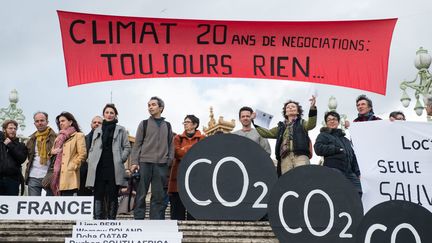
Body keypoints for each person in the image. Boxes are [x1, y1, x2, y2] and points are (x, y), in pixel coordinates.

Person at [131, 96, 174, 220]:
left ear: (161, 107)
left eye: (153, 105)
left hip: (161, 164)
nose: (150, 107)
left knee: (159, 195)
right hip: (144, 162)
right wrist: (134, 161)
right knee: (141, 194)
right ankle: (138, 219)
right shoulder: (144, 124)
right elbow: (137, 144)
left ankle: (156, 221)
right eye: (149, 105)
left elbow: (171, 144)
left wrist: (169, 160)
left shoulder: (168, 125)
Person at [86, 104, 131, 219]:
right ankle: (97, 219)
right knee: (98, 194)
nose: (109, 115)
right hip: (98, 166)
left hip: (113, 166)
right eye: (107, 112)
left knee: (112, 194)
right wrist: (90, 160)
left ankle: (111, 219)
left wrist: (121, 159)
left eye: (112, 113)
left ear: (115, 115)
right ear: (103, 114)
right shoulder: (97, 130)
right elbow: (92, 148)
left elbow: (127, 147)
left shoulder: (121, 129)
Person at [254, 96, 317, 176]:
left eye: (293, 106)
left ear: (298, 111)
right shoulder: (280, 127)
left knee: (303, 178)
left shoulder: (302, 123)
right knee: (287, 182)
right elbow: (265, 133)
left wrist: (312, 108)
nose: (290, 108)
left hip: (300, 156)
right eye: (288, 107)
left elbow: (311, 124)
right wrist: (255, 121)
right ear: (285, 112)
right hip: (285, 158)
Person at [314, 111, 362, 197]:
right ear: (326, 123)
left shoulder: (345, 139)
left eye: (334, 119)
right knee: (338, 194)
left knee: (358, 192)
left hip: (349, 172)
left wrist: (357, 173)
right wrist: (336, 149)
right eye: (329, 120)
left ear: (338, 122)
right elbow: (318, 149)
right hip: (334, 169)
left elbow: (353, 157)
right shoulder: (323, 135)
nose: (332, 121)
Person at [168, 115, 205, 220]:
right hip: (179, 177)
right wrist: (193, 148)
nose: (185, 124)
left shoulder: (202, 138)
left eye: (187, 122)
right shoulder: (177, 138)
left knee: (193, 213)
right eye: (184, 122)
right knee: (177, 213)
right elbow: (177, 153)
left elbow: (202, 153)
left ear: (195, 125)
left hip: (196, 179)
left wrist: (184, 149)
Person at [50, 112, 86, 196]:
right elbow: (52, 152)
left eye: (63, 121)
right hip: (57, 175)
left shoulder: (78, 136)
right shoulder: (58, 137)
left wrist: (73, 165)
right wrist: (52, 152)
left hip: (69, 176)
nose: (61, 123)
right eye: (59, 122)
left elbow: (82, 154)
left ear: (70, 122)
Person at [25, 112, 57, 196]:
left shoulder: (56, 138)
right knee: (33, 204)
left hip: (50, 175)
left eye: (42, 120)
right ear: (34, 123)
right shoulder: (31, 139)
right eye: (37, 121)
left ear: (47, 122)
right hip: (33, 175)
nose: (40, 123)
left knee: (51, 205)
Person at [0, 120, 27, 195]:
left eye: (15, 129)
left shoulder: (20, 145)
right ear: (4, 129)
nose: (13, 130)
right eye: (10, 128)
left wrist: (10, 145)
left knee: (11, 204)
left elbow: (21, 159)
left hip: (12, 180)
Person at [78, 115, 103, 196]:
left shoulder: (106, 139)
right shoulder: (84, 139)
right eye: (94, 122)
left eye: (99, 122)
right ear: (91, 124)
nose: (97, 124)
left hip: (100, 172)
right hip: (85, 174)